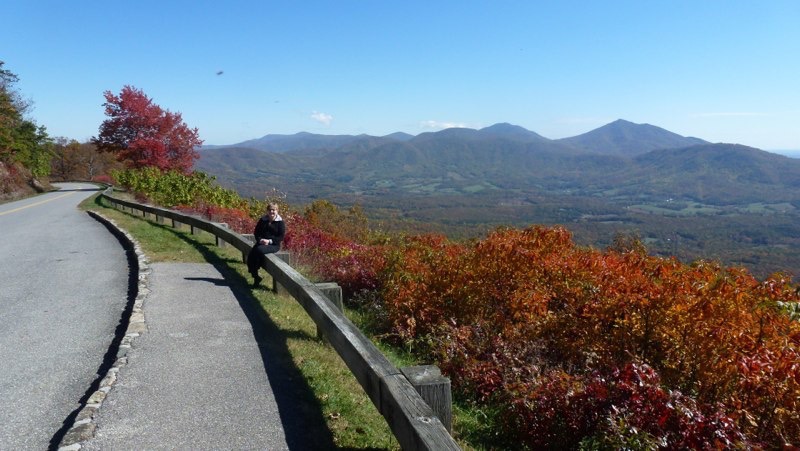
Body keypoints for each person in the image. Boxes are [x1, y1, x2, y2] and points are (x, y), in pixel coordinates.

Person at [247, 203, 285, 287]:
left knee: (259, 250)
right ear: (267, 211)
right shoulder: (262, 220)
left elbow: (281, 237)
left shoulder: (280, 222)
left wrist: (269, 241)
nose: (271, 211)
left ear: (277, 211)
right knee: (251, 256)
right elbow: (256, 232)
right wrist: (260, 240)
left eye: (273, 210)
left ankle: (256, 274)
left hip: (274, 245)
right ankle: (255, 276)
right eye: (270, 210)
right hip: (261, 243)